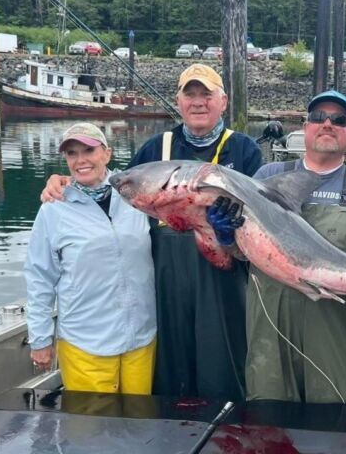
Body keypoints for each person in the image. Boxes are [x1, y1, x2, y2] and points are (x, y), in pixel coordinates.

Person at [41, 64, 263, 400]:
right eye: (190, 95)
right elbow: (113, 187)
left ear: (224, 101)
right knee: (169, 368)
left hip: (223, 278)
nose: (198, 102)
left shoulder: (245, 150)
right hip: (165, 278)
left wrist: (230, 234)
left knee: (223, 364)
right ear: (178, 101)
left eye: (207, 94)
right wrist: (66, 182)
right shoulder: (155, 148)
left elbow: (262, 219)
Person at [207, 90, 346, 406]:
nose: (328, 124)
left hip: (334, 326)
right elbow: (242, 251)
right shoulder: (268, 177)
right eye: (319, 117)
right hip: (271, 327)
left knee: (340, 418)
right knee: (270, 416)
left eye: (339, 119)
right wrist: (225, 237)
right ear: (305, 127)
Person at [26, 123, 156, 394]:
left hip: (142, 338)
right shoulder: (53, 208)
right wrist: (40, 338)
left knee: (140, 427)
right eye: (72, 154)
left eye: (89, 150)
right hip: (86, 342)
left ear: (107, 154)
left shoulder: (137, 194)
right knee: (91, 433)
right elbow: (40, 278)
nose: (81, 160)